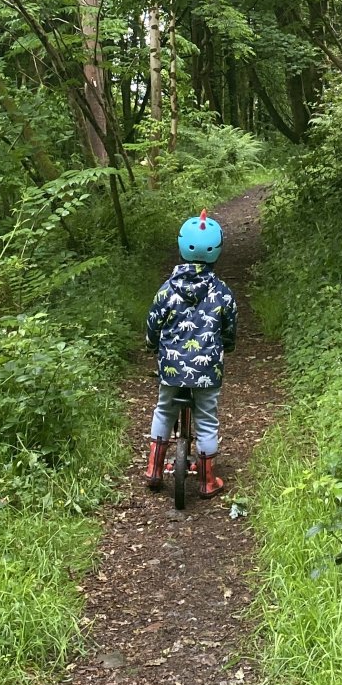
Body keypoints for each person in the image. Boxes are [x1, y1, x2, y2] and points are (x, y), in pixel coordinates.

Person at [144, 210, 237, 498]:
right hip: (208, 370)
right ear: (216, 251)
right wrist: (227, 345)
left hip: (171, 368)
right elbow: (229, 329)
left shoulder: (166, 290)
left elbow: (153, 324)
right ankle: (208, 481)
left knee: (164, 410)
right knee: (207, 419)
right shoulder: (222, 292)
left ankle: (154, 469)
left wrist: (151, 345)